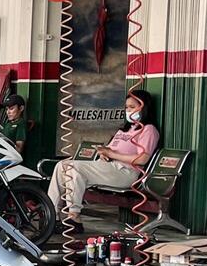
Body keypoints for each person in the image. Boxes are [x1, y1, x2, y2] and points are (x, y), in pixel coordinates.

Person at [48, 89, 160, 220]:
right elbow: (111, 150)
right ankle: (51, 213)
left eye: (132, 107)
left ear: (143, 107)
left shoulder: (149, 130)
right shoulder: (125, 129)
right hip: (108, 166)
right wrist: (104, 154)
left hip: (125, 172)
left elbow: (142, 159)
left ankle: (73, 216)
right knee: (62, 165)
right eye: (126, 107)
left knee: (73, 168)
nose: (128, 111)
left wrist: (112, 154)